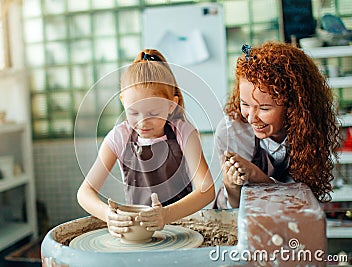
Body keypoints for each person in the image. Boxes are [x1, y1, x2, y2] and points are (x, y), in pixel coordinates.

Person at [77, 49, 215, 238]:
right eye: (133, 113)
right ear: (123, 101)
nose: (143, 122)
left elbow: (207, 190)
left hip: (184, 231)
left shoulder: (184, 132)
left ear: (171, 105)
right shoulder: (119, 137)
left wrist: (165, 215)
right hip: (140, 234)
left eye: (152, 113)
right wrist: (108, 215)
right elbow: (85, 192)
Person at [213, 41, 341, 209]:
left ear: (293, 106)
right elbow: (233, 211)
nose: (251, 118)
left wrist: (258, 177)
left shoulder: (312, 131)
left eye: (264, 108)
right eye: (245, 104)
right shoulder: (231, 133)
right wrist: (231, 186)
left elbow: (304, 204)